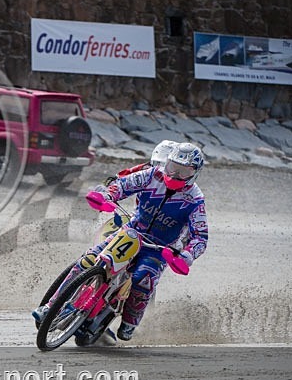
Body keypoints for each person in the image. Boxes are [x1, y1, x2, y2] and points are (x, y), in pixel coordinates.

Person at [33, 142, 209, 341]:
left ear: (194, 173)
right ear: (166, 163)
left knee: (143, 279)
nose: (175, 174)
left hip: (159, 249)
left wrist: (187, 255)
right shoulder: (151, 174)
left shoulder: (195, 200)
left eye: (183, 171)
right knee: (88, 260)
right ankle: (49, 307)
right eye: (172, 167)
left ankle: (129, 324)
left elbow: (200, 237)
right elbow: (124, 184)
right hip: (131, 232)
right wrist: (107, 195)